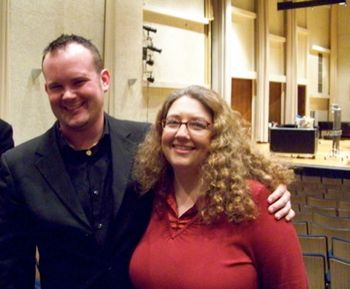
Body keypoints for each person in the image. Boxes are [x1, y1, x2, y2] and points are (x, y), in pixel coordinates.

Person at [0, 34, 294, 289]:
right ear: (46, 90)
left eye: (78, 81)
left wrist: (271, 189)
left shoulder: (149, 141)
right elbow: (13, 270)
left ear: (104, 80)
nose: (68, 95)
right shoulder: (19, 166)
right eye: (56, 86)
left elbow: (215, 160)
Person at [129, 85, 308, 289]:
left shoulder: (257, 203)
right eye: (173, 122)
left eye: (197, 125)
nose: (181, 133)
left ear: (218, 136)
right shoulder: (149, 194)